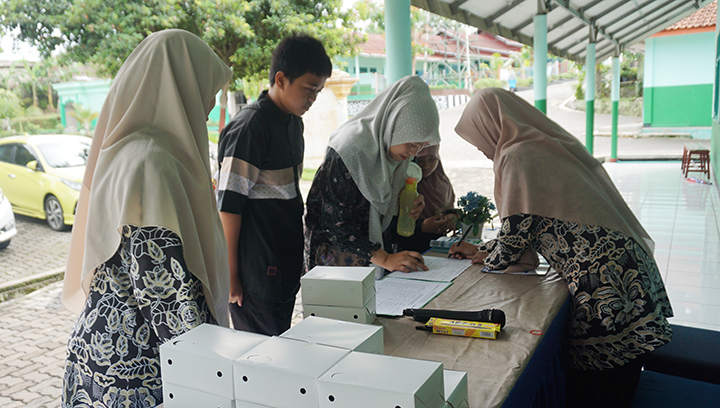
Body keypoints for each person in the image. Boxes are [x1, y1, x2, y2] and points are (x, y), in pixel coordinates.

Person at [450, 87, 673, 408]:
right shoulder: (538, 144)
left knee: (598, 386)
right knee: (621, 373)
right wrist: (483, 248)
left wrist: (485, 259)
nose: (481, 149)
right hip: (621, 262)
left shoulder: (516, 155)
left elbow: (515, 237)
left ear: (490, 125)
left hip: (600, 277)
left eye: (477, 139)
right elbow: (527, 224)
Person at [61, 29, 232, 407]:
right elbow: (164, 297)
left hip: (108, 354)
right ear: (181, 83)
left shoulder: (130, 150)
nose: (210, 104)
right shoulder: (151, 166)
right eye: (208, 90)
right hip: (136, 371)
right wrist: (220, 375)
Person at [216, 34, 332, 336]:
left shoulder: (293, 123)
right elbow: (228, 208)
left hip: (283, 268)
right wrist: (230, 276)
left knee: (281, 343)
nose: (313, 98)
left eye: (318, 91)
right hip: (255, 275)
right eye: (308, 89)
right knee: (261, 354)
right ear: (281, 79)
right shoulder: (250, 127)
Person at [304, 75, 440, 273]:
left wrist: (407, 207)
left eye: (421, 146)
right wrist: (384, 258)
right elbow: (333, 222)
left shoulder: (399, 156)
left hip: (378, 260)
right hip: (336, 265)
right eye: (411, 144)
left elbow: (384, 213)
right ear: (393, 126)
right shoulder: (349, 151)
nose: (414, 153)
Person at [390, 145, 458, 252]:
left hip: (438, 246)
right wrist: (422, 226)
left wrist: (451, 216)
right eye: (420, 160)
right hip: (408, 249)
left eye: (432, 159)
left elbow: (448, 207)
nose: (427, 165)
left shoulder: (441, 180)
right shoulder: (401, 184)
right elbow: (390, 226)